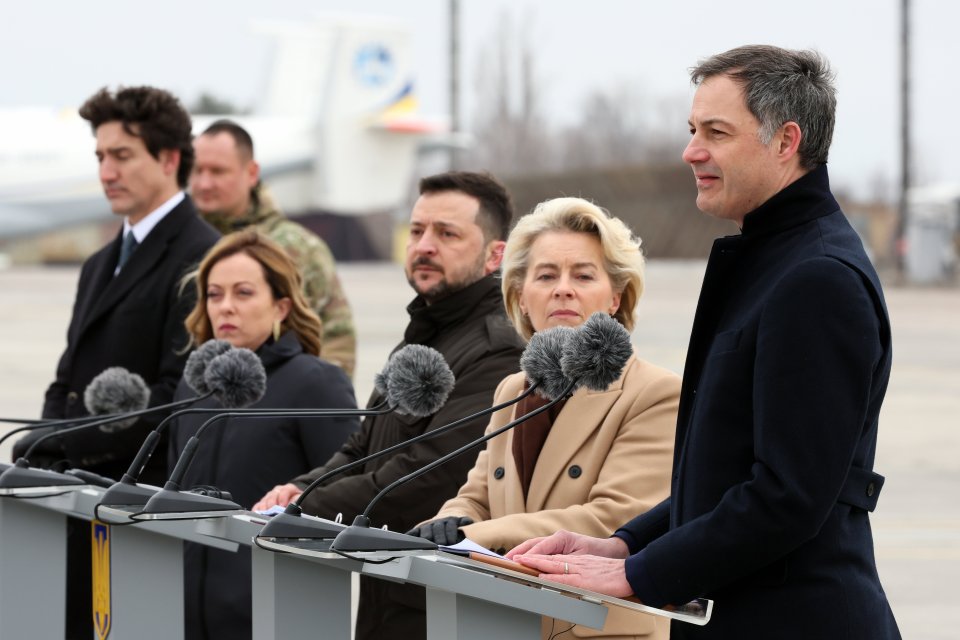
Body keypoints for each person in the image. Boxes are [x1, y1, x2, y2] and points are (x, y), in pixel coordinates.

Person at [510, 45, 901, 640]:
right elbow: (725, 477)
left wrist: (641, 574)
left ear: (785, 141)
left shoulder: (817, 278)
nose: (691, 151)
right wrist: (623, 545)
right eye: (693, 130)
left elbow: (788, 495)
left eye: (715, 133)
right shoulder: (774, 261)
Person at [385, 197, 682, 640]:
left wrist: (478, 533)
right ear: (521, 297)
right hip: (500, 622)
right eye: (546, 275)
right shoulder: (513, 389)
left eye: (583, 275)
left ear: (616, 297)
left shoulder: (655, 392)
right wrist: (450, 520)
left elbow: (612, 520)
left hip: (594, 630)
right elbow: (478, 496)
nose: (563, 289)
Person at [252, 170, 527, 638]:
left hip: (443, 604)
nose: (424, 245)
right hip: (386, 589)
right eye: (417, 230)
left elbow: (432, 471)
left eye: (447, 233)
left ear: (494, 255)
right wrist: (295, 489)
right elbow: (363, 446)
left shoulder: (497, 347)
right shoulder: (422, 333)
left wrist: (307, 505)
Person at [18, 85, 220, 640]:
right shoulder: (99, 263)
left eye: (122, 156)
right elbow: (67, 378)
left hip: (139, 510)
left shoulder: (202, 258)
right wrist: (37, 448)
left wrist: (69, 441)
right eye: (100, 157)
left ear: (170, 159)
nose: (107, 171)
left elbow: (179, 395)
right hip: (78, 501)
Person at [169, 229, 360, 640]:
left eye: (243, 293)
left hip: (277, 610)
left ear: (281, 306)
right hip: (188, 613)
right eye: (214, 294)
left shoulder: (316, 383)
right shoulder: (193, 387)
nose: (225, 307)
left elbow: (347, 489)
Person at [190, 119, 357, 377]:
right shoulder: (180, 244)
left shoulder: (298, 248)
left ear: (252, 173)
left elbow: (336, 339)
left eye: (218, 171)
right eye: (197, 171)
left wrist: (317, 402)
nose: (204, 183)